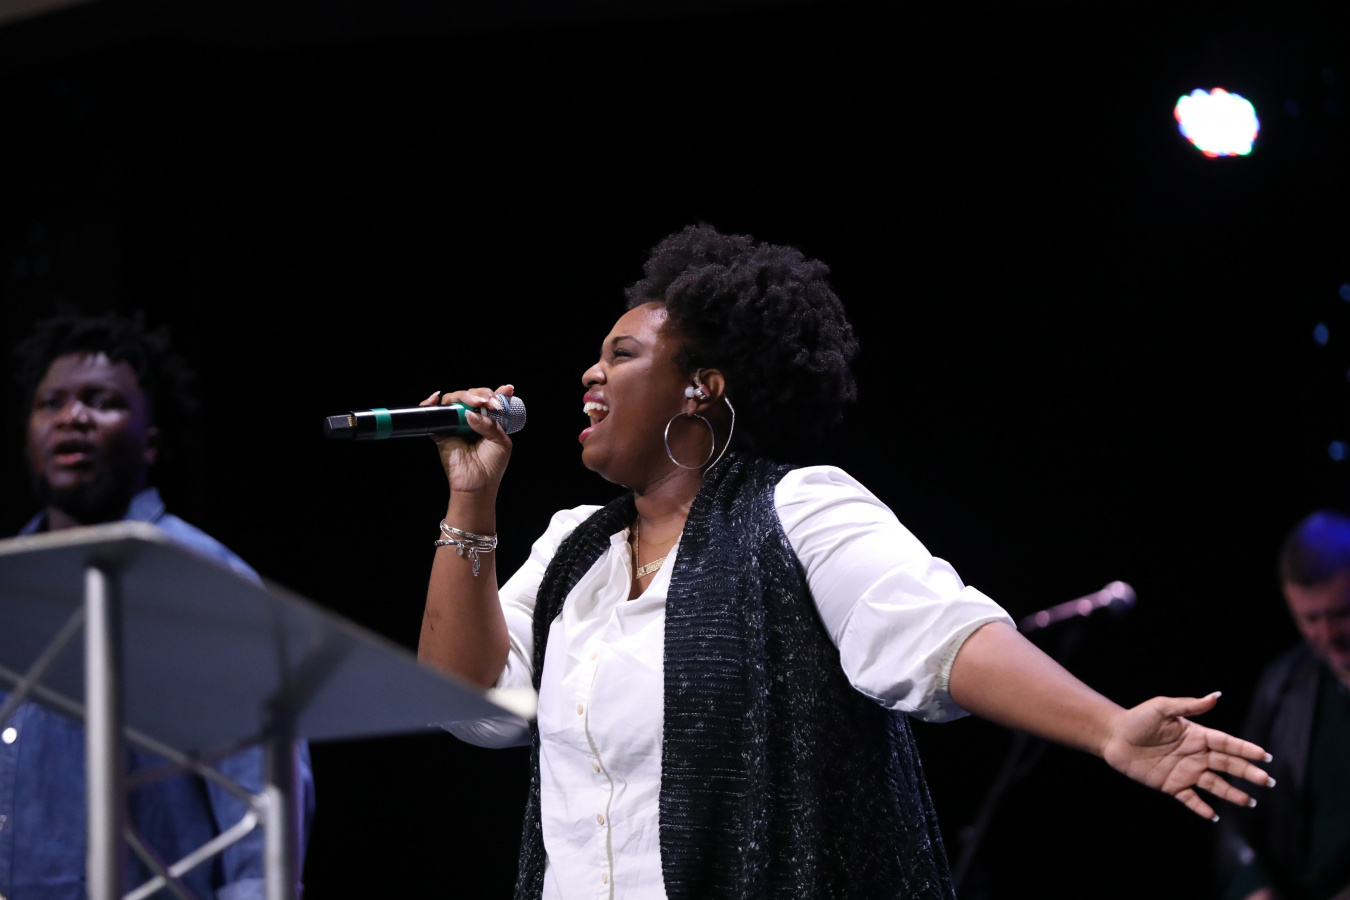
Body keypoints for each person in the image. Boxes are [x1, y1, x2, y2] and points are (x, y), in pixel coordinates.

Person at [416, 225, 1273, 899]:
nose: (589, 374)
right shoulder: (573, 549)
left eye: (621, 354)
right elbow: (464, 701)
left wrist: (1107, 727)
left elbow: (942, 636)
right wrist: (470, 496)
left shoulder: (796, 508)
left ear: (701, 386)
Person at [1, 310, 316, 900]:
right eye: (51, 403)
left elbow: (259, 814)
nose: (72, 417)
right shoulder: (9, 582)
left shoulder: (203, 579)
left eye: (101, 401)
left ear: (149, 441)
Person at [1218, 511, 1350, 900]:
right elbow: (1237, 812)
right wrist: (1252, 885)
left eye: (1342, 613)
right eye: (1310, 618)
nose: (1327, 634)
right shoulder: (1282, 682)